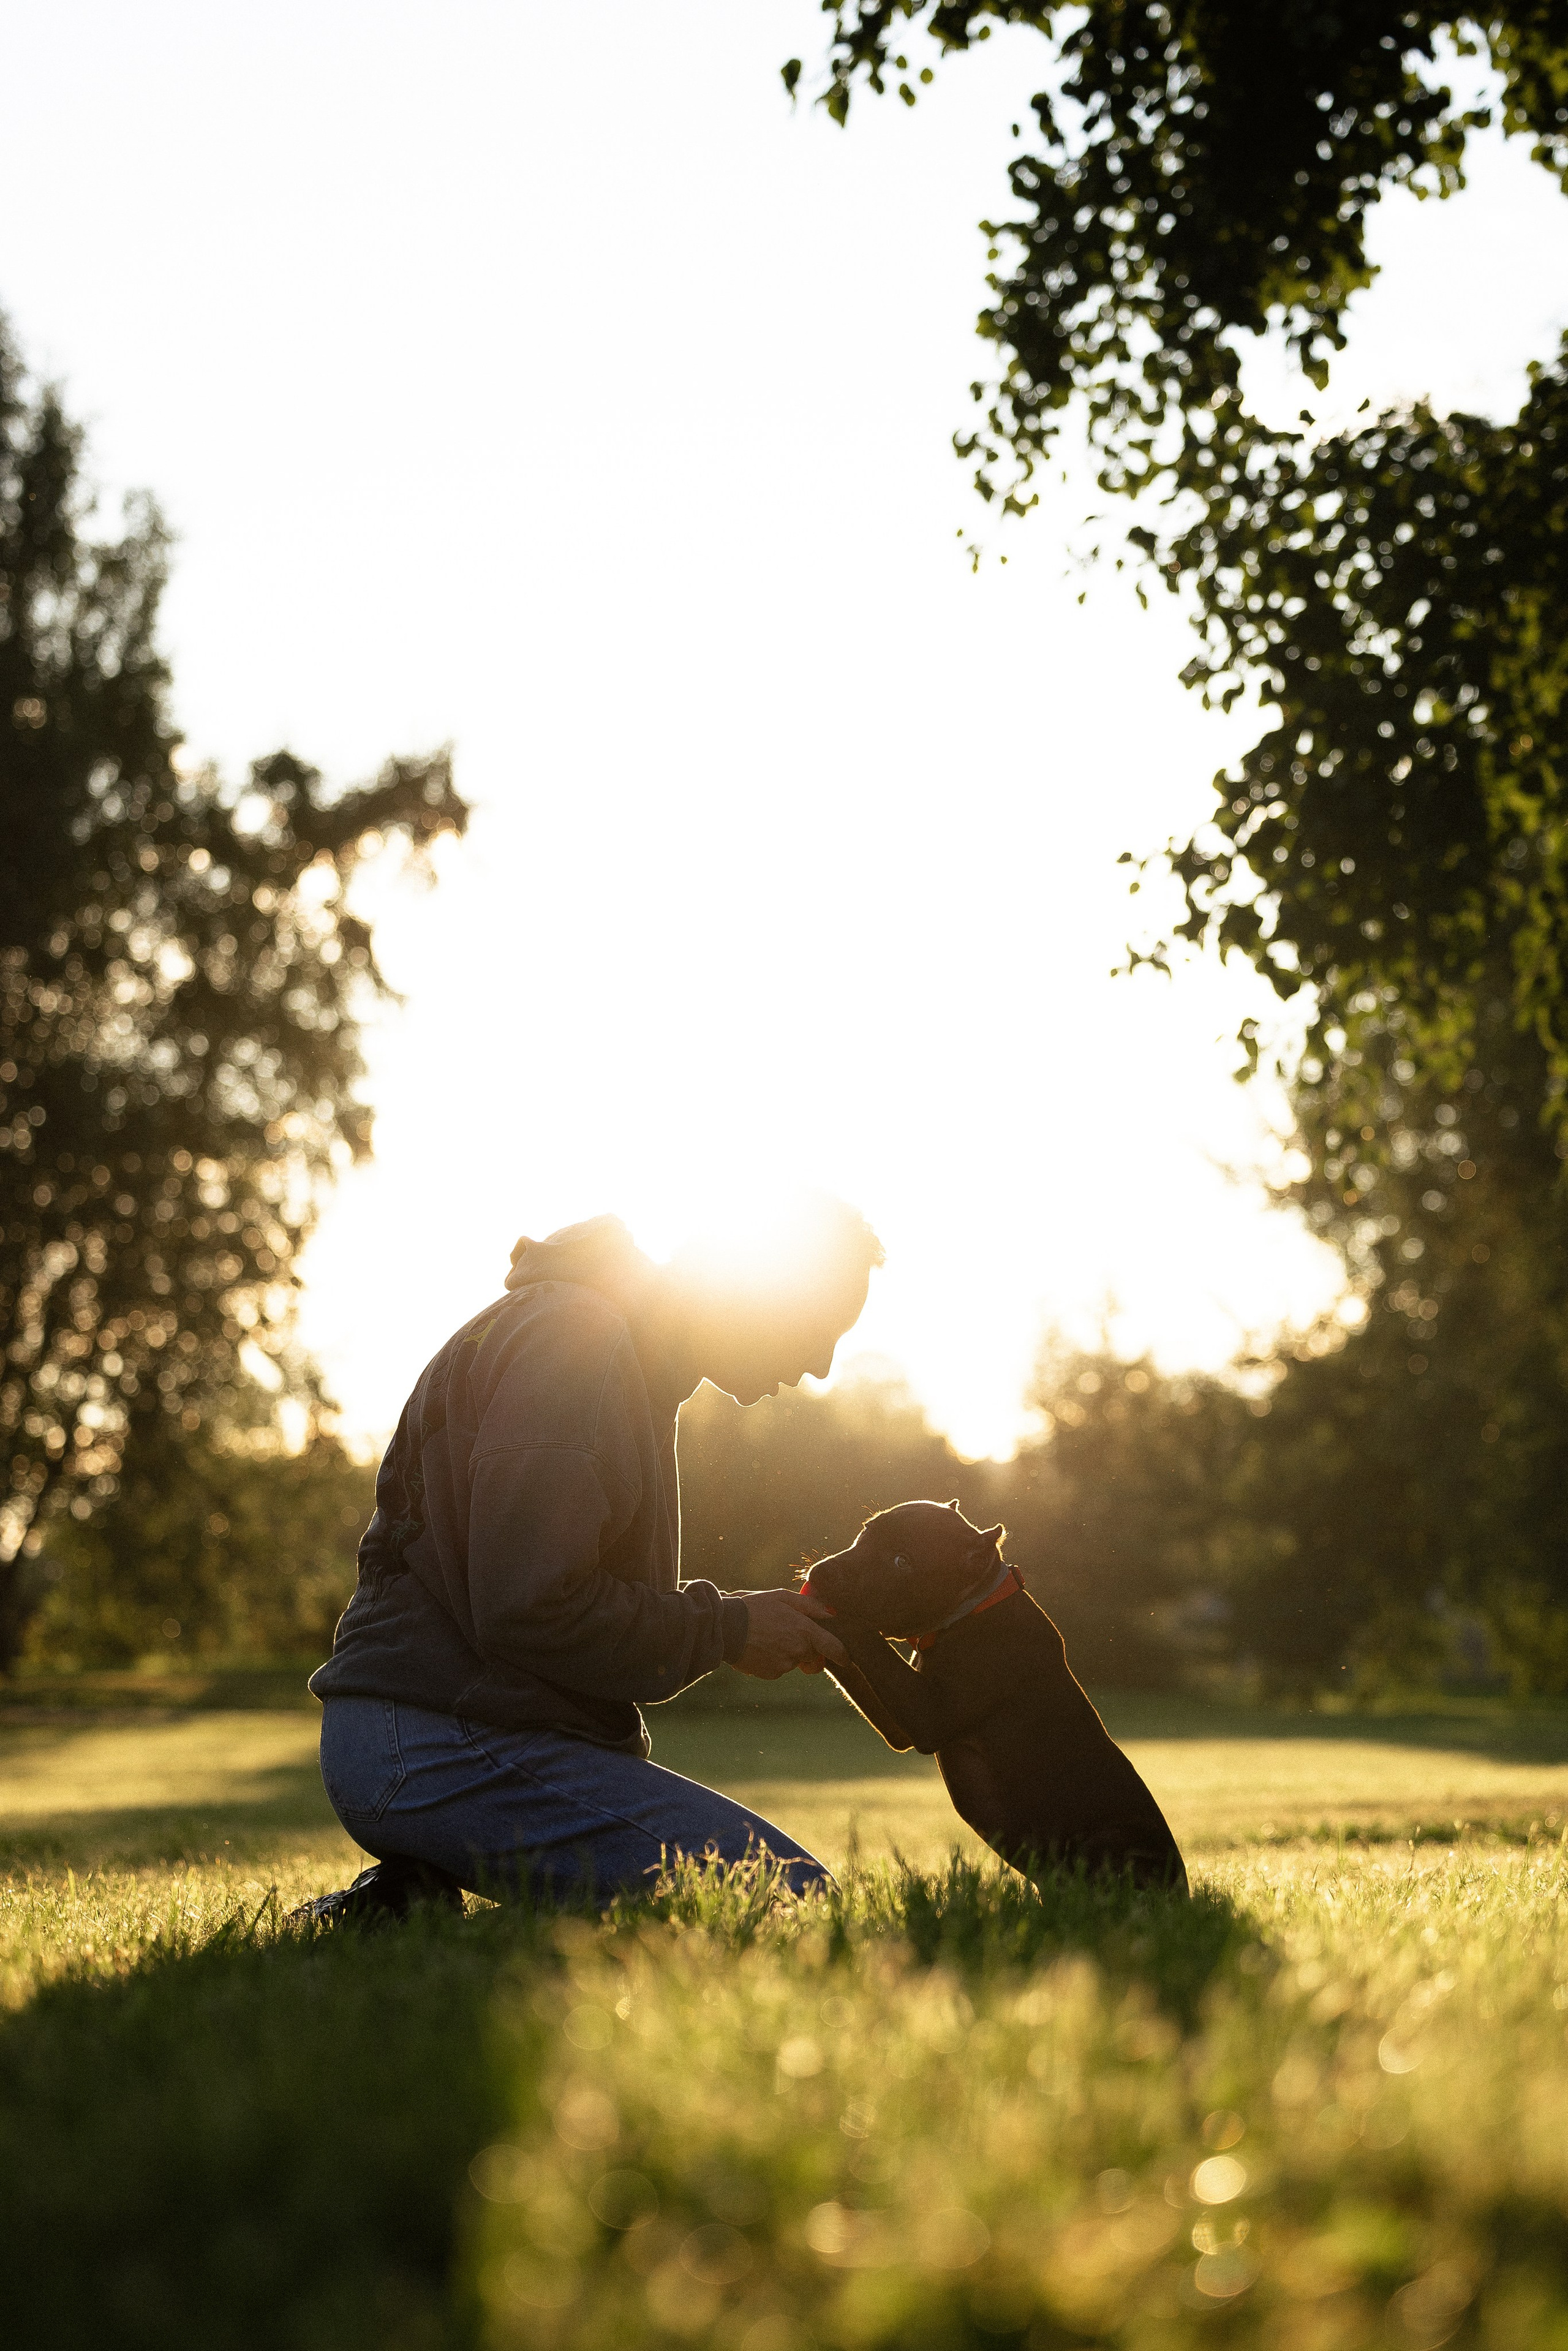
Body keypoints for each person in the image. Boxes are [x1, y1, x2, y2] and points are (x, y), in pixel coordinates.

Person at [300, 1196, 882, 1920]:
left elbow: (546, 1593)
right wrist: (727, 1629)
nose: (821, 1366)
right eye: (818, 1328)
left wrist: (734, 1624)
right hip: (432, 1743)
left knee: (745, 1895)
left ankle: (394, 1910)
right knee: (789, 1896)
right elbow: (530, 1604)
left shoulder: (620, 1356)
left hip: (444, 1734)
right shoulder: (577, 1344)